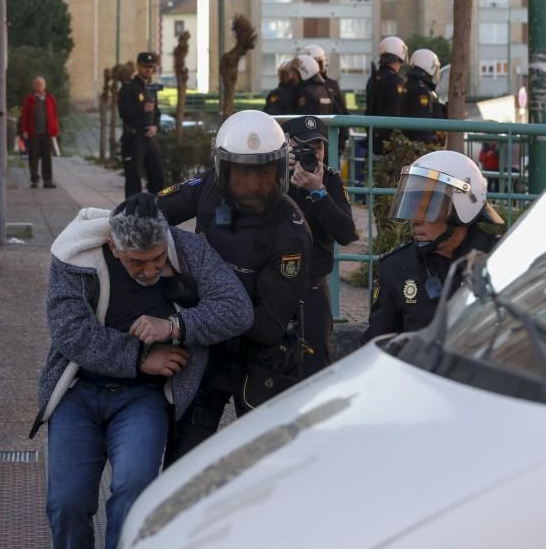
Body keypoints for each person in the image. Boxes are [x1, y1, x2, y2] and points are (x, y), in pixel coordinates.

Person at [32, 193, 253, 549]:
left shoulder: (187, 249)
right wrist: (139, 357)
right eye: (137, 262)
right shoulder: (75, 255)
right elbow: (69, 331)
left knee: (134, 494)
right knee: (66, 504)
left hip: (143, 398)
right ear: (113, 246)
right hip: (79, 393)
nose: (150, 271)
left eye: (157, 259)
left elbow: (238, 309)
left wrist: (175, 326)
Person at [158, 109, 313, 465]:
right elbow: (156, 210)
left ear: (280, 171)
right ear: (224, 170)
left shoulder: (291, 232)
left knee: (268, 468)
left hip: (261, 357)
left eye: (263, 175)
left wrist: (192, 299)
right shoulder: (209, 188)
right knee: (183, 463)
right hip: (209, 350)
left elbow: (269, 325)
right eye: (241, 175)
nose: (252, 187)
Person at [360, 150, 503, 344]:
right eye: (412, 205)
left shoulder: (499, 258)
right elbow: (376, 345)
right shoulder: (396, 267)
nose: (415, 220)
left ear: (462, 208)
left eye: (428, 208)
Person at [282, 115, 359, 375]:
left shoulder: (331, 181)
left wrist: (319, 193)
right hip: (273, 284)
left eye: (317, 147)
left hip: (312, 283)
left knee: (316, 364)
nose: (311, 153)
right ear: (286, 146)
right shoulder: (272, 177)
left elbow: (346, 233)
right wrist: (278, 174)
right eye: (302, 146)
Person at [118, 52, 164, 198]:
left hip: (150, 139)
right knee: (134, 178)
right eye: (145, 66)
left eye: (151, 67)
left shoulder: (150, 89)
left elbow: (156, 113)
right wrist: (141, 109)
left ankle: (155, 210)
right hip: (134, 138)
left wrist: (156, 127)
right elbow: (123, 113)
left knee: (157, 176)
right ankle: (132, 213)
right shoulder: (128, 88)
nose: (148, 70)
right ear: (138, 66)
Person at [301, 44, 350, 152]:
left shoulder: (332, 85)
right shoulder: (301, 88)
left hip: (329, 142)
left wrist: (341, 142)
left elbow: (342, 113)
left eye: (319, 63)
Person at [365, 36, 408, 154]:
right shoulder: (395, 81)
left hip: (373, 137)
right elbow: (397, 112)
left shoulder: (373, 79)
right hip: (389, 142)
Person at [20, 75, 60, 188]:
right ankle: (34, 180)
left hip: (47, 133)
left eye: (41, 84)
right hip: (33, 133)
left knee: (47, 158)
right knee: (33, 157)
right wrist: (24, 130)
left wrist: (55, 129)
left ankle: (48, 180)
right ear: (34, 85)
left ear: (45, 85)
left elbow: (55, 115)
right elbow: (24, 116)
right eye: (37, 84)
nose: (39, 85)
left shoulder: (50, 99)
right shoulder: (30, 99)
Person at [401, 48, 445, 144]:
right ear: (430, 67)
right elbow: (423, 123)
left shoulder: (409, 85)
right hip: (420, 147)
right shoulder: (421, 90)